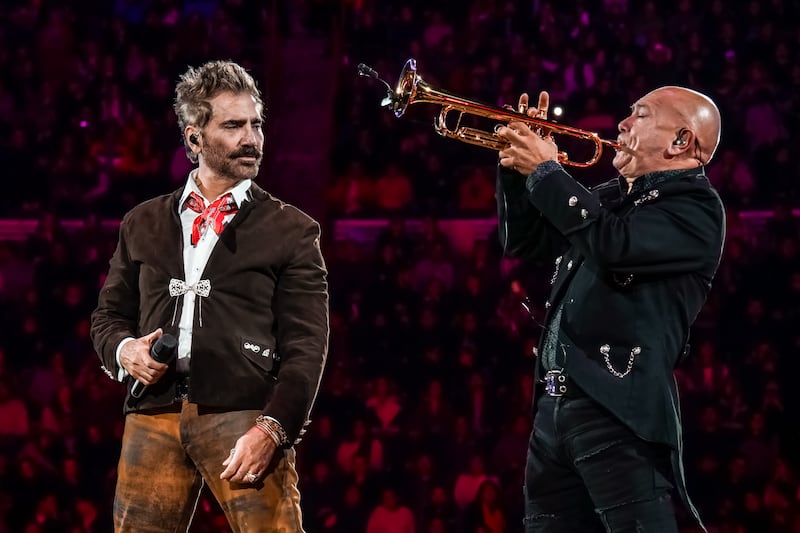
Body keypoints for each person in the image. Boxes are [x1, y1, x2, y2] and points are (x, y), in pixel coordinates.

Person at [90, 60, 329, 532]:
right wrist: (125, 350)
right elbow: (108, 315)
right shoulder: (142, 221)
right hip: (152, 413)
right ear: (194, 138)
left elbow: (308, 348)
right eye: (234, 125)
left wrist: (274, 428)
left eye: (256, 124)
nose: (252, 138)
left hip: (245, 416)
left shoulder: (293, 230)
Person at [494, 86, 724, 532]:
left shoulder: (696, 209)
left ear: (681, 141)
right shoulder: (613, 196)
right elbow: (526, 242)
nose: (621, 124)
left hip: (618, 410)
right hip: (552, 410)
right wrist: (514, 167)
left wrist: (545, 170)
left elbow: (613, 245)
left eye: (640, 115)